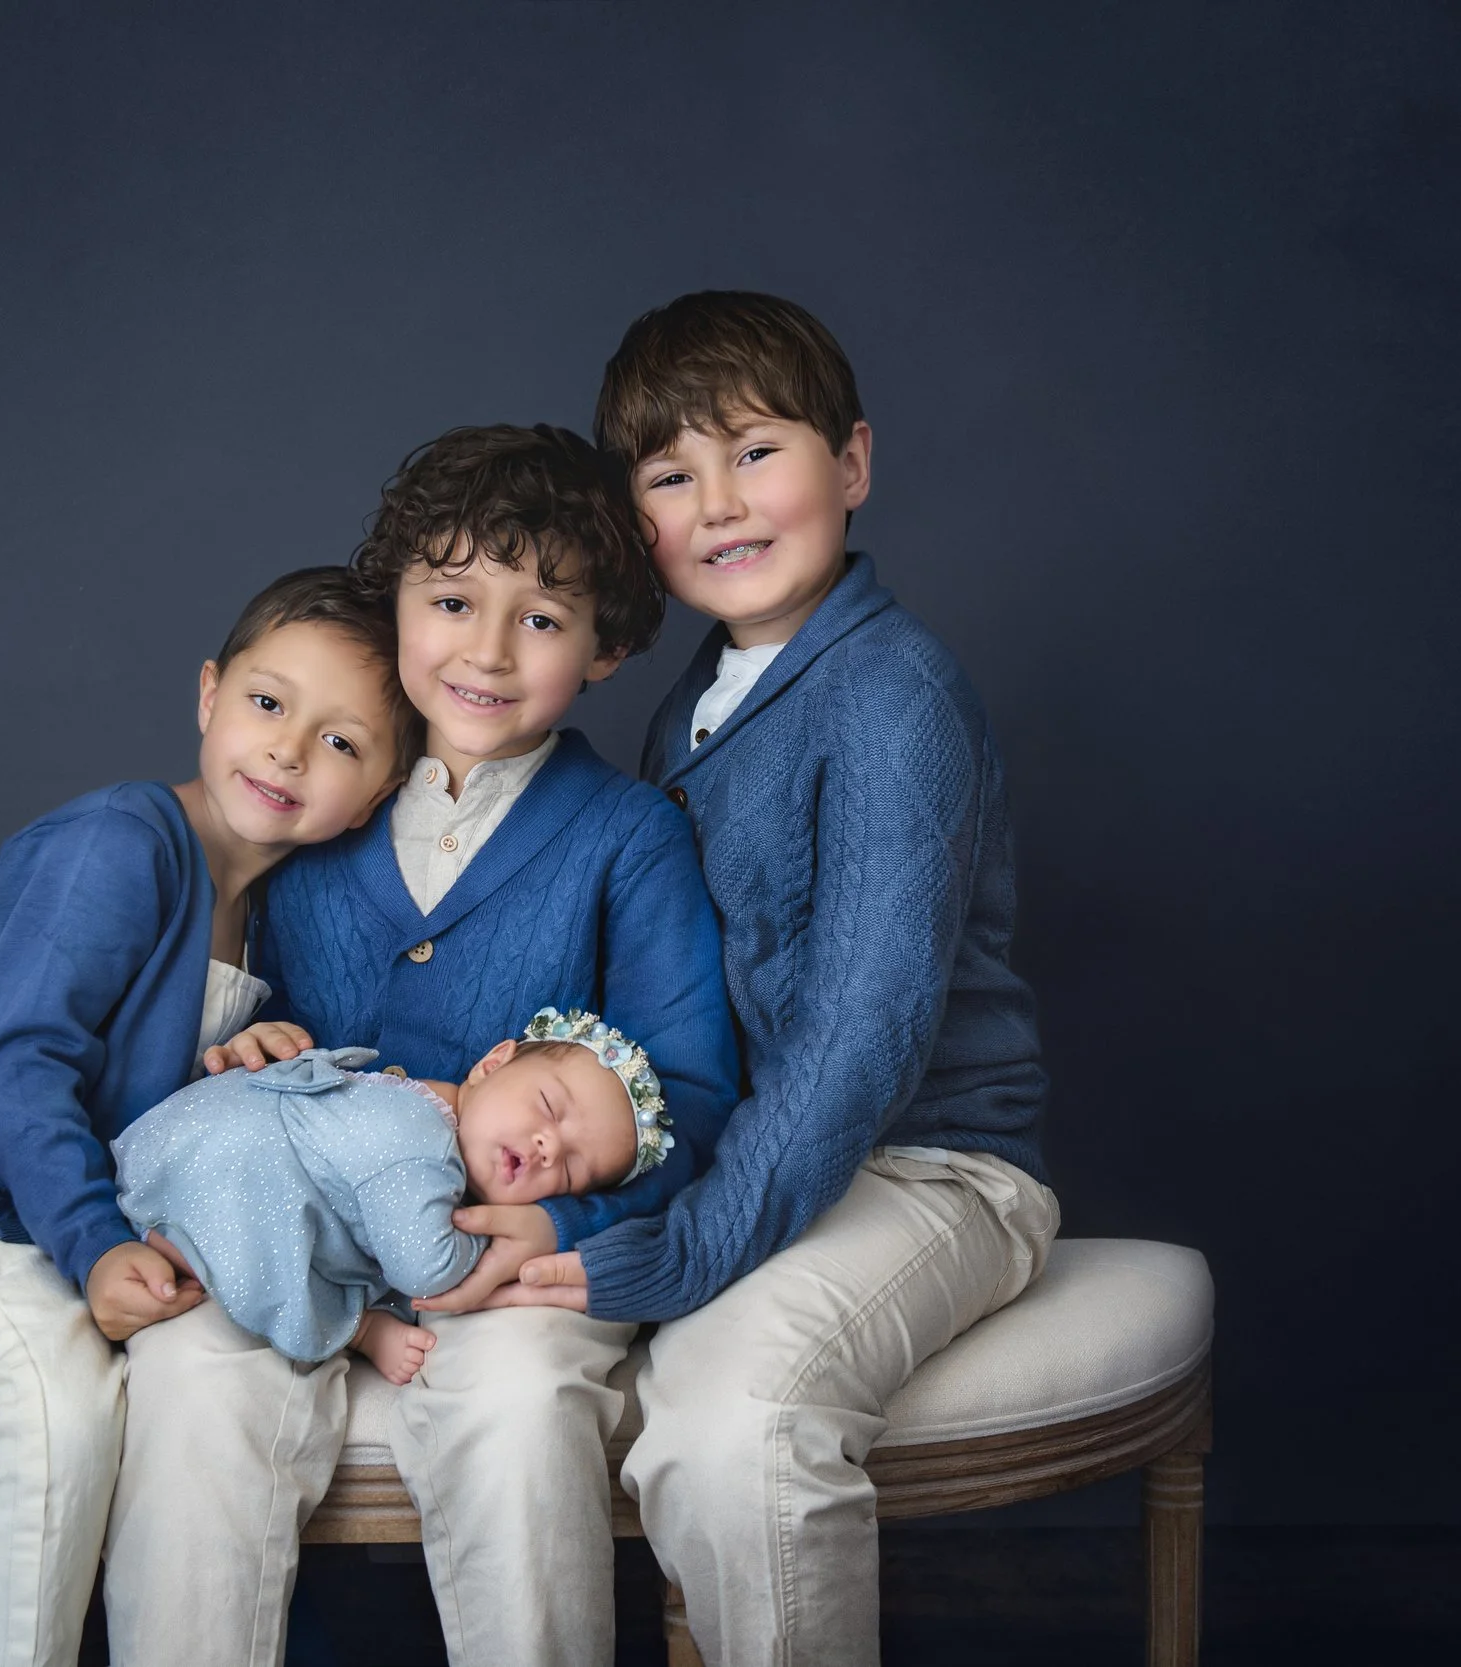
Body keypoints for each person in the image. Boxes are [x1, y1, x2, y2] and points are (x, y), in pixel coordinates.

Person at [489, 290, 1063, 1667]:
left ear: (851, 466)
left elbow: (864, 1035)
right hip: (769, 1152)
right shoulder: (695, 702)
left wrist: (681, 1243)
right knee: (549, 1371)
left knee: (735, 1414)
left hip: (930, 1163)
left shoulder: (891, 696)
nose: (723, 502)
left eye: (758, 451)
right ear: (638, 523)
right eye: (673, 473)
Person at [106, 425, 741, 1667]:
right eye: (451, 599)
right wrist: (244, 1052)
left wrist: (564, 1228)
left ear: (606, 647)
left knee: (514, 1400)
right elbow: (237, 1016)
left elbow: (697, 1096)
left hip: (505, 1260)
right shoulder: (316, 796)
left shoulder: (628, 835)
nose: (487, 651)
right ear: (396, 599)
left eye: (542, 619)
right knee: (191, 1385)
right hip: (302, 1231)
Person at [0, 567, 415, 1667]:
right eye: (268, 702)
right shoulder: (121, 841)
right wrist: (98, 1243)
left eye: (344, 742)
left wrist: (239, 1076)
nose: (290, 750)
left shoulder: (271, 913)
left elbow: (173, 1123)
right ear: (208, 694)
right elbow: (16, 1070)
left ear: (384, 788)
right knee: (58, 1409)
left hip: (78, 1223)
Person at [112, 1007, 674, 1383]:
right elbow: (425, 1271)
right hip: (223, 1181)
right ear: (491, 1063)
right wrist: (493, 1252)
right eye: (548, 1108)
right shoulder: (423, 1143)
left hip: (166, 1150)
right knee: (276, 1250)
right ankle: (355, 1329)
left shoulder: (407, 1102)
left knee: (310, 1221)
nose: (549, 1146)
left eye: (572, 1171)